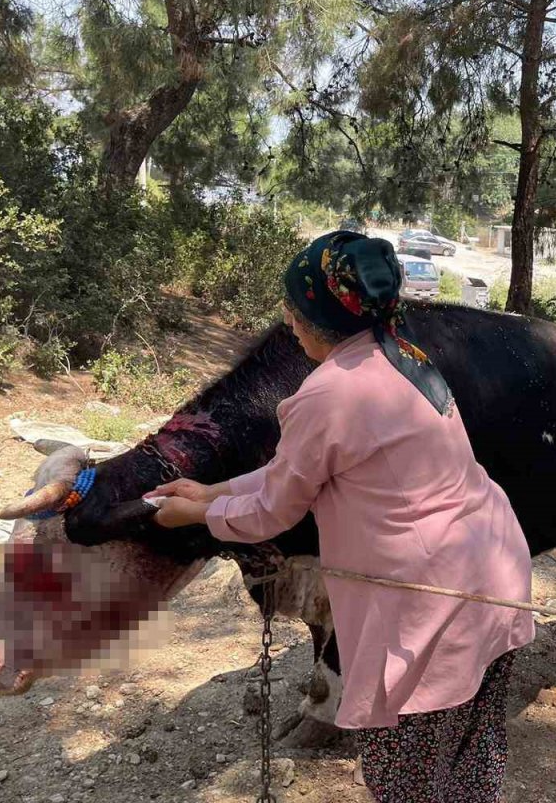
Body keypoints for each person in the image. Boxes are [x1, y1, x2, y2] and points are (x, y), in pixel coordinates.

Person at [149, 231, 534, 803]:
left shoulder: (329, 395)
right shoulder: (403, 355)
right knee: (470, 755)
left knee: (406, 779)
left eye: (293, 307)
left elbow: (274, 509)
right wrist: (211, 491)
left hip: (435, 607)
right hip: (494, 573)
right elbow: (294, 471)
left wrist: (196, 517)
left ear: (312, 317)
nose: (286, 316)